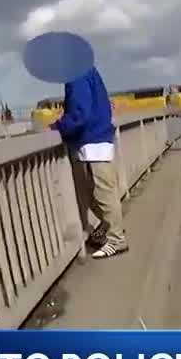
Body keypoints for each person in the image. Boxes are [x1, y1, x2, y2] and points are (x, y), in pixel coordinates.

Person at [51, 65, 128, 259]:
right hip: (95, 140)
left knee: (103, 193)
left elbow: (79, 114)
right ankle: (108, 231)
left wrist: (59, 126)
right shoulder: (85, 70)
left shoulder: (77, 74)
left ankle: (117, 239)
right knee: (94, 193)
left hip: (94, 141)